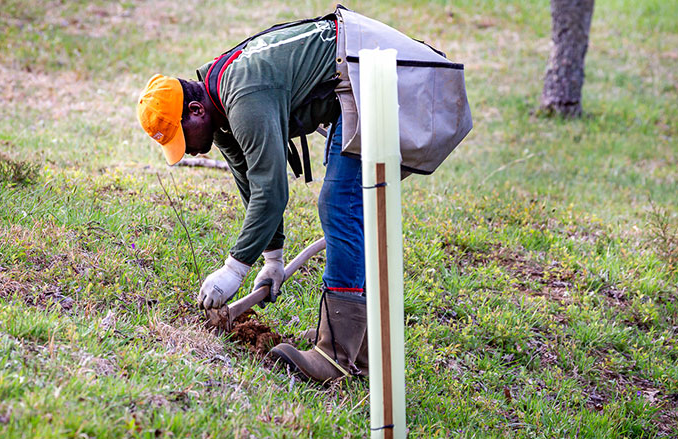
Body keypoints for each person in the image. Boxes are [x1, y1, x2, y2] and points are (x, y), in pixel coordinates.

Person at [136, 7, 470, 383]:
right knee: (347, 208)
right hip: (357, 88)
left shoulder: (243, 95)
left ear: (196, 111)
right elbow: (253, 182)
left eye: (184, 139)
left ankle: (336, 355)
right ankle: (360, 348)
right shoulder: (220, 108)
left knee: (340, 205)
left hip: (393, 80)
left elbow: (272, 192)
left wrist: (234, 269)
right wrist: (272, 259)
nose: (191, 151)